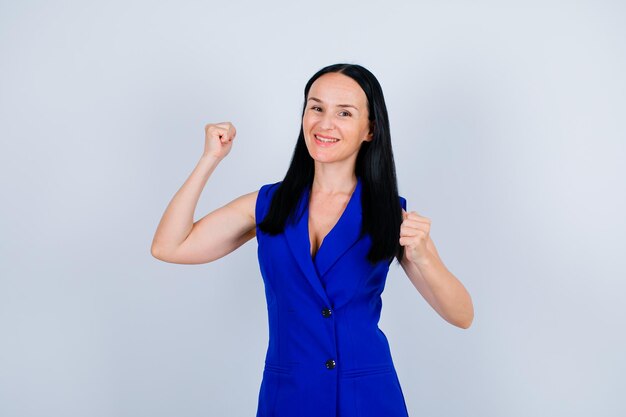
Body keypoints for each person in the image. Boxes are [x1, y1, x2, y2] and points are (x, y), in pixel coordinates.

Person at [151, 63, 474, 417]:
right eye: (316, 107)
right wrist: (210, 159)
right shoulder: (266, 206)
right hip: (289, 398)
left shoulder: (389, 215)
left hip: (368, 399)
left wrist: (426, 258)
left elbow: (461, 315)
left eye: (344, 113)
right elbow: (169, 246)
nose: (325, 123)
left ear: (370, 129)